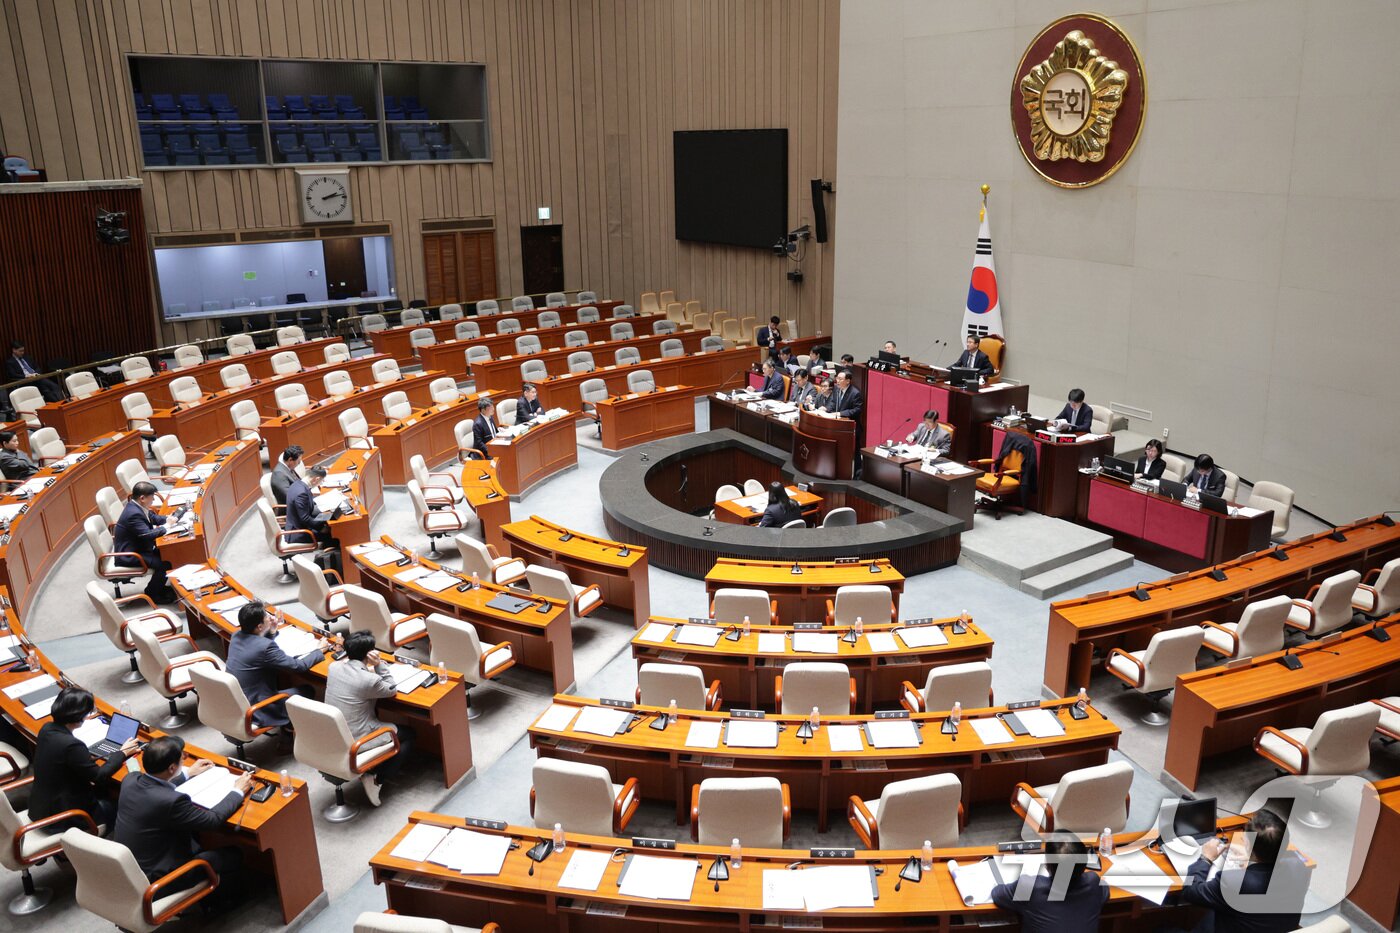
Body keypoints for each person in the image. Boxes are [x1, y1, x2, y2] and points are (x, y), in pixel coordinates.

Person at [114, 735, 252, 907]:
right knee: (233, 854)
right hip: (159, 881)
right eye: (182, 758)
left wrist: (188, 772)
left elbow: (157, 784)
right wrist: (237, 791)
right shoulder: (171, 802)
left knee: (194, 836)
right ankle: (219, 902)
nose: (185, 758)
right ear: (172, 768)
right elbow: (212, 821)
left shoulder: (130, 780)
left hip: (133, 870)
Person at [1176, 809, 1308, 932]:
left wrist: (1205, 858)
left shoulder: (1234, 883)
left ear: (1248, 845)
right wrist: (1253, 859)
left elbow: (1189, 891)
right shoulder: (1300, 867)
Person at [324, 630, 415, 806]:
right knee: (408, 736)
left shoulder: (333, 667)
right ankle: (376, 778)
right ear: (370, 654)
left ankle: (374, 767)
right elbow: (391, 689)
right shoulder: (369, 680)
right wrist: (379, 664)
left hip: (334, 735)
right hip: (358, 738)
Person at [30, 687, 140, 832]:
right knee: (124, 807)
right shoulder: (72, 745)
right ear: (79, 716)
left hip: (40, 808)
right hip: (65, 818)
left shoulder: (46, 729)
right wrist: (122, 753)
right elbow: (99, 777)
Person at [226, 601, 325, 731]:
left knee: (281, 679)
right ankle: (289, 734)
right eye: (267, 616)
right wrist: (320, 651)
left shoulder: (236, 636)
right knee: (307, 690)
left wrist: (271, 632)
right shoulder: (265, 647)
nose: (271, 618)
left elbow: (257, 648)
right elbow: (298, 666)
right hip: (259, 708)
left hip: (238, 702)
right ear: (260, 626)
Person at [990, 836, 1107, 933]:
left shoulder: (1030, 887)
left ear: (1047, 865)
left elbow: (997, 894)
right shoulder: (1094, 882)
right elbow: (1104, 894)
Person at [114, 481, 175, 603]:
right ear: (142, 498)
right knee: (165, 564)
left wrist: (168, 518)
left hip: (139, 547)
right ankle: (153, 594)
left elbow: (153, 518)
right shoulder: (133, 514)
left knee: (166, 553)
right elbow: (147, 535)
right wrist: (167, 526)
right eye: (151, 498)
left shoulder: (137, 506)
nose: (153, 501)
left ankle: (158, 587)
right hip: (129, 555)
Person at [285, 465, 336, 550]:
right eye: (321, 481)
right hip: (298, 532)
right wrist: (322, 528)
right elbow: (305, 518)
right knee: (333, 534)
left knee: (330, 518)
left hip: (299, 523)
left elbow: (307, 505)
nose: (320, 483)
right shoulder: (301, 493)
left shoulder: (298, 484)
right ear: (316, 479)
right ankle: (327, 559)